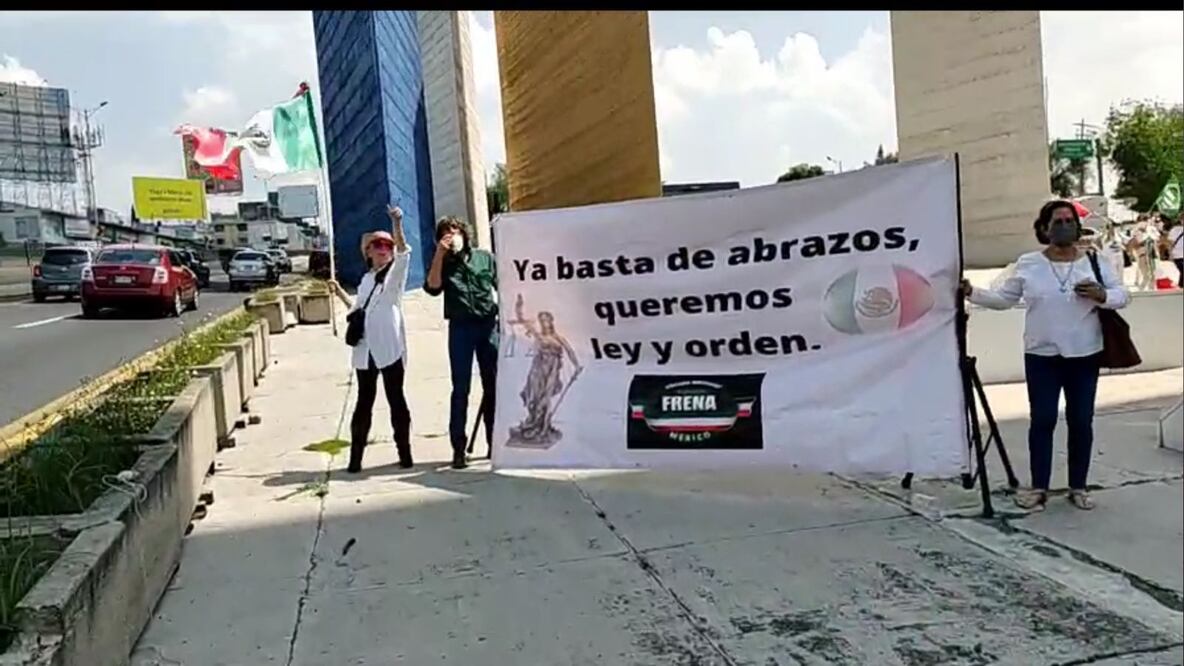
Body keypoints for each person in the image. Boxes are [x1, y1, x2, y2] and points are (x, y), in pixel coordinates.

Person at [961, 200, 1131, 511]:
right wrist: (972, 292)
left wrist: (1102, 295)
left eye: (1069, 220)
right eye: (1058, 221)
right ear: (1044, 228)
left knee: (1081, 421)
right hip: (1042, 355)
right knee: (1043, 420)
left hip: (1084, 354)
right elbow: (1003, 299)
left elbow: (1123, 295)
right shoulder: (1028, 263)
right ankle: (1039, 487)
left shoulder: (1094, 262)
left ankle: (1078, 487)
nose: (1065, 226)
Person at [340, 206, 413, 473]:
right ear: (368, 252)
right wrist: (339, 294)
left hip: (389, 347)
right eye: (378, 245)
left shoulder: (393, 278)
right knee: (364, 402)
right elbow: (358, 310)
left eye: (387, 245)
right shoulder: (366, 280)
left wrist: (397, 222)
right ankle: (355, 458)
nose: (384, 248)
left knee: (396, 398)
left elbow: (405, 255)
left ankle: (405, 454)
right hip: (365, 350)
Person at [424, 216, 498, 469]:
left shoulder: (484, 258)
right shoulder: (442, 263)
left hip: (488, 326)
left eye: (454, 231)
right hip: (461, 329)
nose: (451, 235)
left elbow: (505, 285)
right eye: (445, 233)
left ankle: (494, 443)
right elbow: (432, 287)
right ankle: (458, 446)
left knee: (494, 386)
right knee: (461, 388)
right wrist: (439, 254)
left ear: (464, 234)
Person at [1166, 215, 1184, 289]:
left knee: (1182, 272)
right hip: (1178, 255)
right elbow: (1170, 243)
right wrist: (1170, 254)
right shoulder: (1175, 230)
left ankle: (1181, 287)